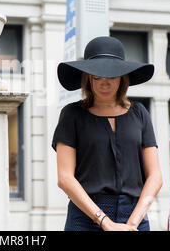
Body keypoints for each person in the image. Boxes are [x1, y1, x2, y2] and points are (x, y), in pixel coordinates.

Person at [52, 36, 162, 231]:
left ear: (122, 78)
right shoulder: (71, 114)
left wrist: (133, 222)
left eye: (111, 77)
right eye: (97, 77)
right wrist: (105, 222)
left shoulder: (140, 114)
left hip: (135, 216)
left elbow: (155, 176)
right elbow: (65, 178)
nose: (104, 84)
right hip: (86, 218)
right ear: (87, 78)